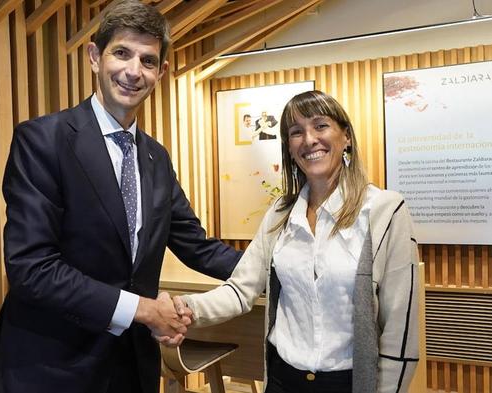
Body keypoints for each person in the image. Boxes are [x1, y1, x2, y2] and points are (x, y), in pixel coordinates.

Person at [0, 1, 241, 393]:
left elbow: (198, 247)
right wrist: (145, 310)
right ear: (95, 57)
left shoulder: (156, 158)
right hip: (51, 366)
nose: (134, 71)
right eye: (122, 53)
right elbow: (31, 268)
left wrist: (285, 267)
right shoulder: (43, 140)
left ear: (161, 72)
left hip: (131, 367)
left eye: (148, 61)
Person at [168, 91, 420, 393]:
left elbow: (400, 331)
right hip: (281, 380)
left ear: (347, 137)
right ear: (289, 147)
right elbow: (240, 290)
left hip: (348, 383)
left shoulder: (384, 210)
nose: (309, 139)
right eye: (296, 132)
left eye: (321, 126)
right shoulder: (280, 213)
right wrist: (184, 307)